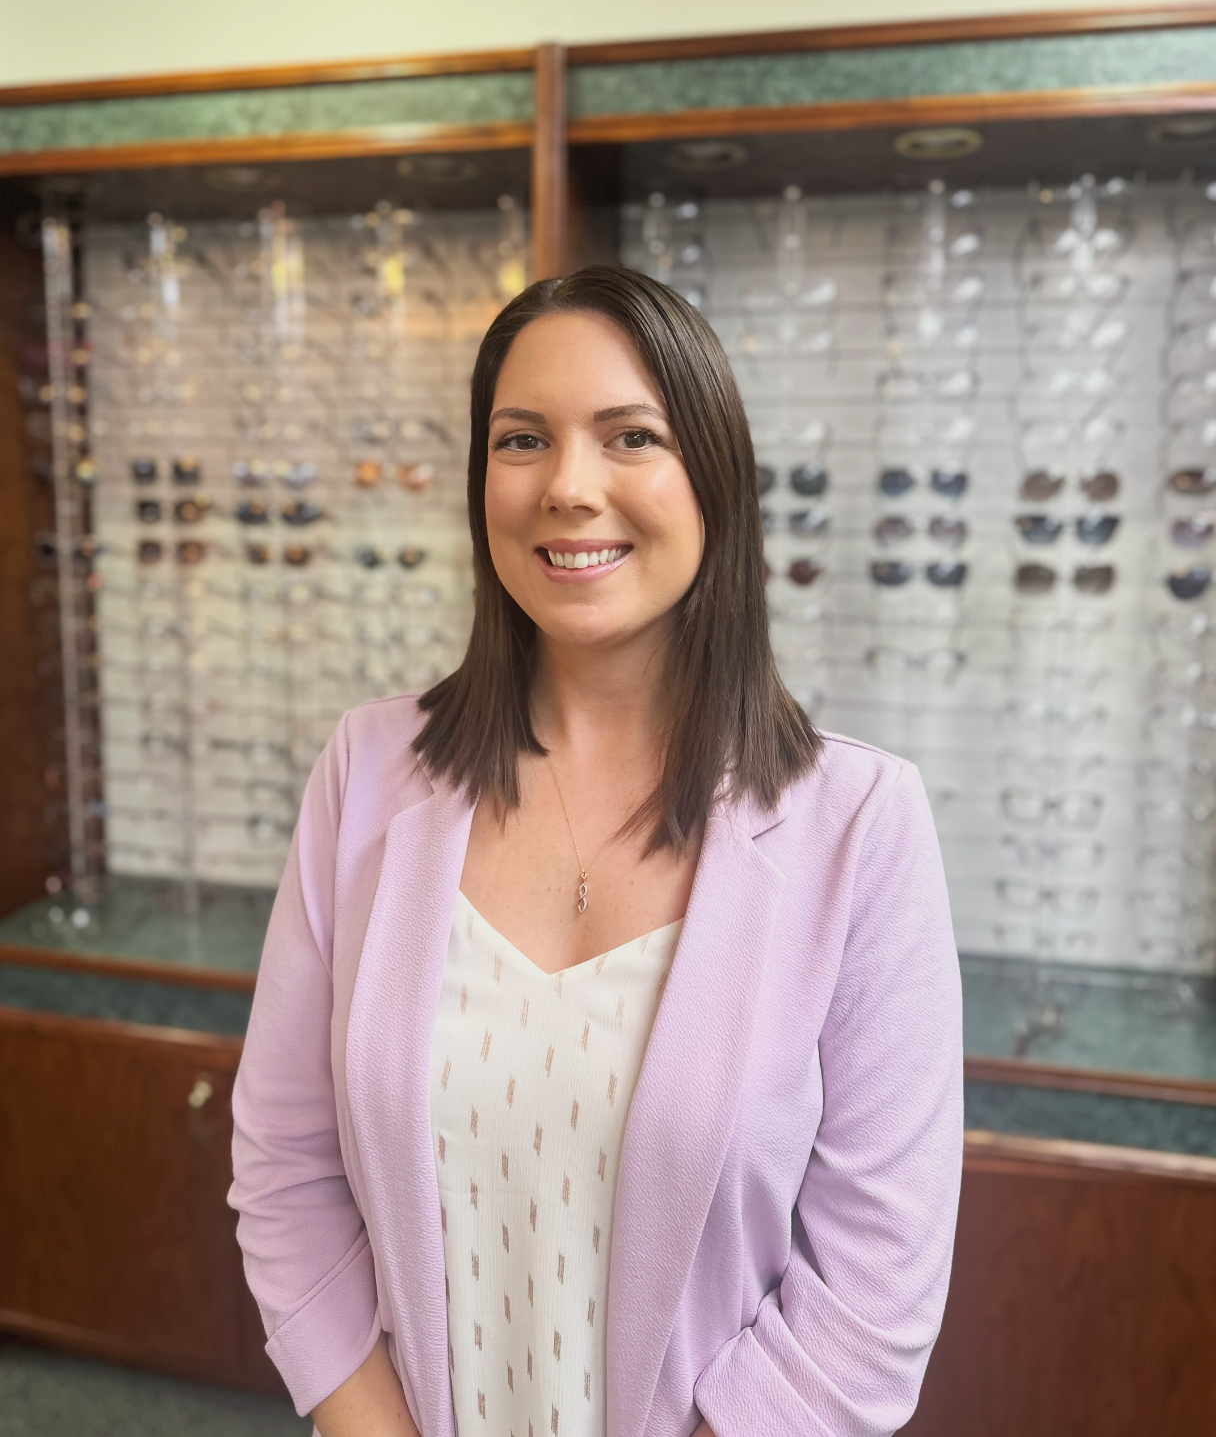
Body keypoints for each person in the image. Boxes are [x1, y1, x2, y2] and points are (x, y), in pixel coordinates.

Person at [230, 265, 963, 1437]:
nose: (569, 487)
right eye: (523, 439)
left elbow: (875, 1287)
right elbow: (284, 1168)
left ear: (712, 479)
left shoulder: (859, 825)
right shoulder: (367, 772)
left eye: (631, 437)